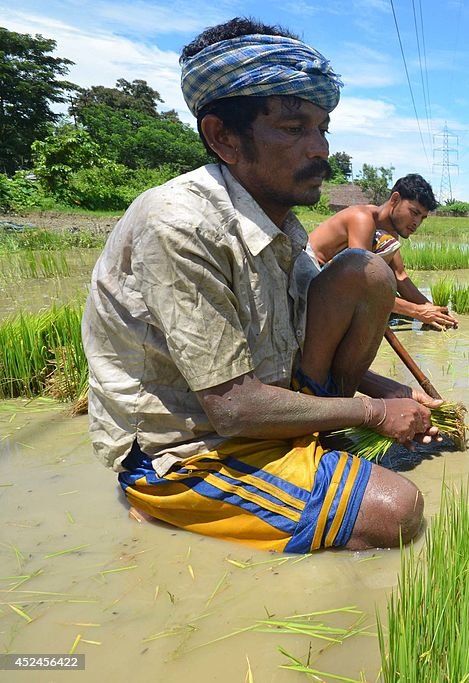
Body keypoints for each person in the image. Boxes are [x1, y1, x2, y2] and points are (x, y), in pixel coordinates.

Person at [82, 17, 442, 554]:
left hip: (258, 411)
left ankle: (318, 439)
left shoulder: (281, 228)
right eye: (295, 129)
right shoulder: (180, 224)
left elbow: (300, 332)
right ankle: (157, 501)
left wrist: (382, 388)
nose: (320, 148)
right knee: (395, 512)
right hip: (189, 445)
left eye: (323, 129)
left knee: (365, 273)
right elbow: (231, 407)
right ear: (223, 136)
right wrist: (373, 414)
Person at [307, 175, 458, 330]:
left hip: (331, 281)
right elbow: (361, 286)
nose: (417, 222)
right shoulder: (362, 219)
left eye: (423, 218)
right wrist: (417, 311)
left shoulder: (390, 234)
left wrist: (433, 310)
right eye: (414, 212)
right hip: (308, 274)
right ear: (395, 199)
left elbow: (400, 277)